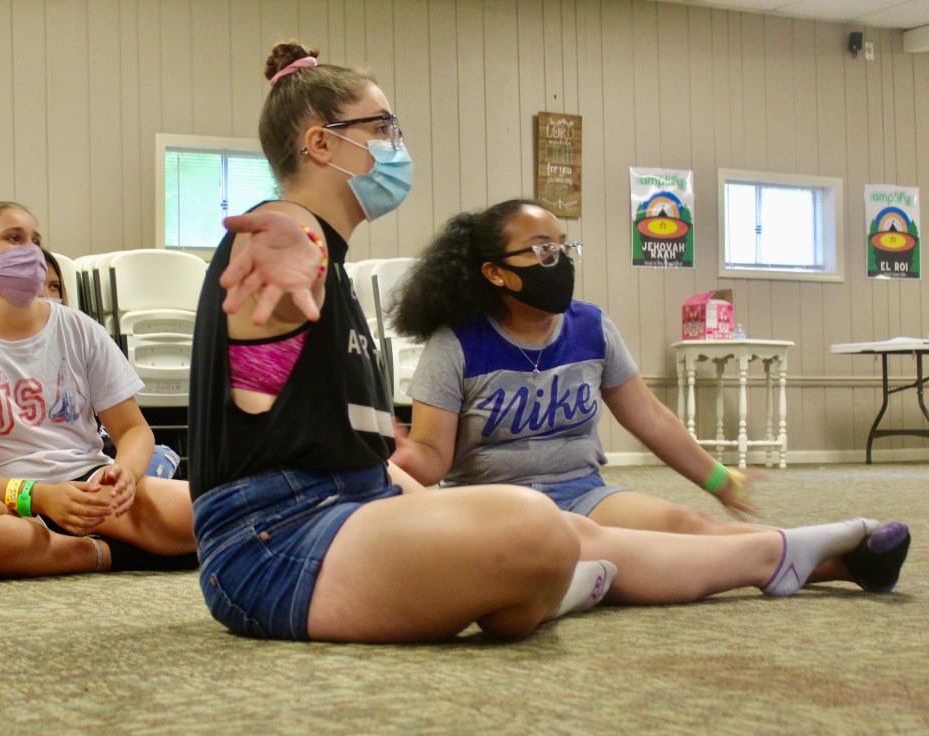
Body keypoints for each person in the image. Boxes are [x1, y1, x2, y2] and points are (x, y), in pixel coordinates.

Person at [191, 40, 892, 646]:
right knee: (532, 524)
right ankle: (541, 588)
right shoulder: (277, 239)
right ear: (320, 143)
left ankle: (779, 556)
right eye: (382, 127)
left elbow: (335, 448)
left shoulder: (335, 274)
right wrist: (298, 238)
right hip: (271, 545)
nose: (395, 144)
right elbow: (279, 271)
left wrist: (404, 486)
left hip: (346, 508)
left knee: (574, 533)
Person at [388, 198, 910, 594]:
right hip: (498, 506)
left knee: (686, 526)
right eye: (542, 250)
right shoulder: (455, 344)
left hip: (583, 493)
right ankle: (834, 561)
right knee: (623, 558)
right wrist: (392, 453)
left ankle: (836, 563)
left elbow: (650, 418)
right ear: (495, 272)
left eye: (564, 246)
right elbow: (433, 457)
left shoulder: (591, 327)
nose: (559, 260)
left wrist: (718, 479)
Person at [0, 201, 197, 577]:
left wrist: (124, 474)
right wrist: (40, 497)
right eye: (14, 238)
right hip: (11, 502)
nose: (30, 251)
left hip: (91, 489)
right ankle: (104, 554)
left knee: (218, 510)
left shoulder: (80, 328)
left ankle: (58, 549)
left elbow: (133, 430)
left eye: (35, 240)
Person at [40, 246, 182, 480]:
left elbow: (132, 430)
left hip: (94, 465)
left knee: (163, 457)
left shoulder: (81, 336)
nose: (46, 295)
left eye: (54, 286)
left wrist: (122, 474)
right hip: (32, 483)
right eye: (37, 285)